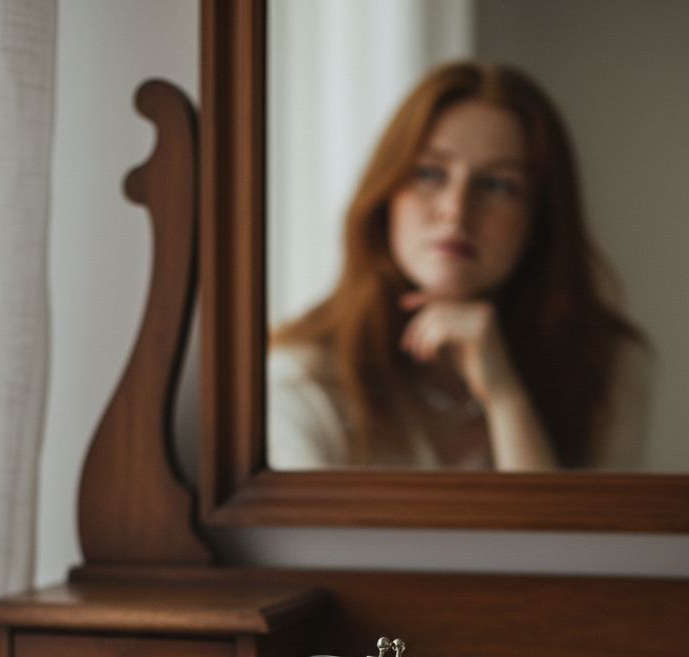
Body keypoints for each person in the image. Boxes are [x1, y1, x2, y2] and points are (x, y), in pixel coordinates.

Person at [266, 60, 649, 472]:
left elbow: (571, 539)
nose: (456, 210)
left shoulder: (604, 369)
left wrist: (505, 397)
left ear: (540, 220)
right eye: (429, 174)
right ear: (385, 198)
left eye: (498, 184)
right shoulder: (302, 374)